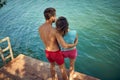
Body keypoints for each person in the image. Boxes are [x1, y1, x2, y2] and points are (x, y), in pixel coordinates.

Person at [38, 7, 78, 80]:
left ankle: (54, 78)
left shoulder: (40, 28)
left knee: (52, 66)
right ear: (52, 17)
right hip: (56, 53)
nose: (55, 18)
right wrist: (74, 44)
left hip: (47, 52)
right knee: (62, 69)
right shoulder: (54, 31)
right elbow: (64, 45)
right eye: (55, 16)